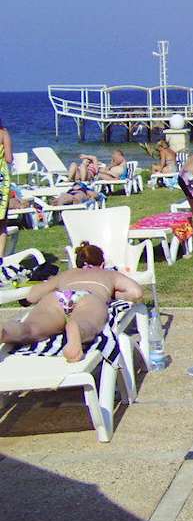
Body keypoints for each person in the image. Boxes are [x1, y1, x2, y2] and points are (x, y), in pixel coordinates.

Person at [1, 242, 143, 362]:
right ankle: (77, 330)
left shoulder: (67, 274)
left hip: (59, 297)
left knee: (31, 328)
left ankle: (8, 331)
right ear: (102, 263)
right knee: (87, 323)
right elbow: (136, 293)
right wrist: (112, 293)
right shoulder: (109, 274)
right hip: (89, 297)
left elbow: (32, 296)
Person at [0, 118, 12, 256]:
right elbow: (9, 158)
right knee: (1, 222)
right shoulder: (3, 133)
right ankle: (0, 258)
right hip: (1, 180)